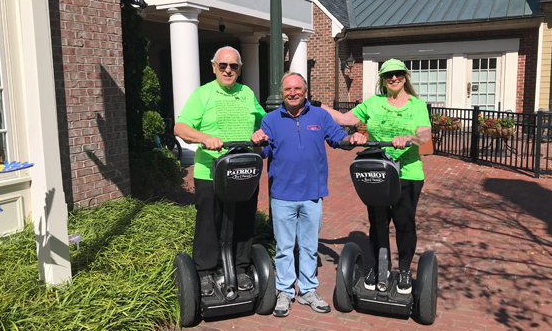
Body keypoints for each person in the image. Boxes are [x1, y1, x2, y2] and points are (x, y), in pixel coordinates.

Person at [251, 72, 366, 317]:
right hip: (282, 194)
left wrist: (352, 138)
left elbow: (338, 139)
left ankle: (307, 290)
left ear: (305, 91)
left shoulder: (320, 115)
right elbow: (262, 152)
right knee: (284, 247)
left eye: (298, 88)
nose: (293, 93)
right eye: (288, 89)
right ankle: (284, 291)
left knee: (309, 247)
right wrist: (257, 141)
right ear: (282, 93)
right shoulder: (270, 119)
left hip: (312, 193)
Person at [322, 58, 431, 295]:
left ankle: (403, 271)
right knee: (378, 223)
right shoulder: (373, 103)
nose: (394, 78)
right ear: (382, 79)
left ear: (405, 77)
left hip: (408, 173)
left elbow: (424, 135)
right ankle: (378, 267)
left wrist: (409, 138)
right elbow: (343, 119)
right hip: (378, 171)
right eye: (388, 75)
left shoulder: (416, 105)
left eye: (398, 74)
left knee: (403, 222)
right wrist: (314, 106)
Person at [174, 46, 266, 297]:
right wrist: (204, 137)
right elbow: (180, 127)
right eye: (223, 65)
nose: (228, 70)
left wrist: (260, 133)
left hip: (244, 171)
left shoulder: (247, 93)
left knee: (244, 220)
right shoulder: (202, 94)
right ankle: (205, 272)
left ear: (239, 69)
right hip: (210, 171)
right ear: (214, 66)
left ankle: (242, 267)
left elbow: (263, 122)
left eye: (233, 66)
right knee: (209, 223)